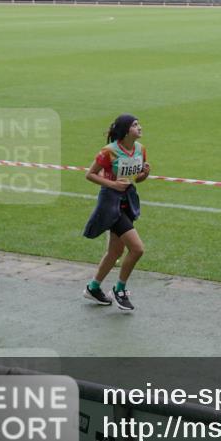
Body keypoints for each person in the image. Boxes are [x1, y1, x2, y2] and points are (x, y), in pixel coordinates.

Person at [82, 114, 150, 311]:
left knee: (115, 252)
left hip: (128, 202)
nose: (139, 127)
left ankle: (93, 288)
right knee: (137, 249)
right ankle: (119, 290)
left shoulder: (140, 149)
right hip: (111, 204)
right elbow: (90, 174)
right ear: (126, 130)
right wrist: (112, 184)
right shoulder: (109, 151)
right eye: (135, 125)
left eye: (139, 124)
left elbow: (136, 178)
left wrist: (145, 174)